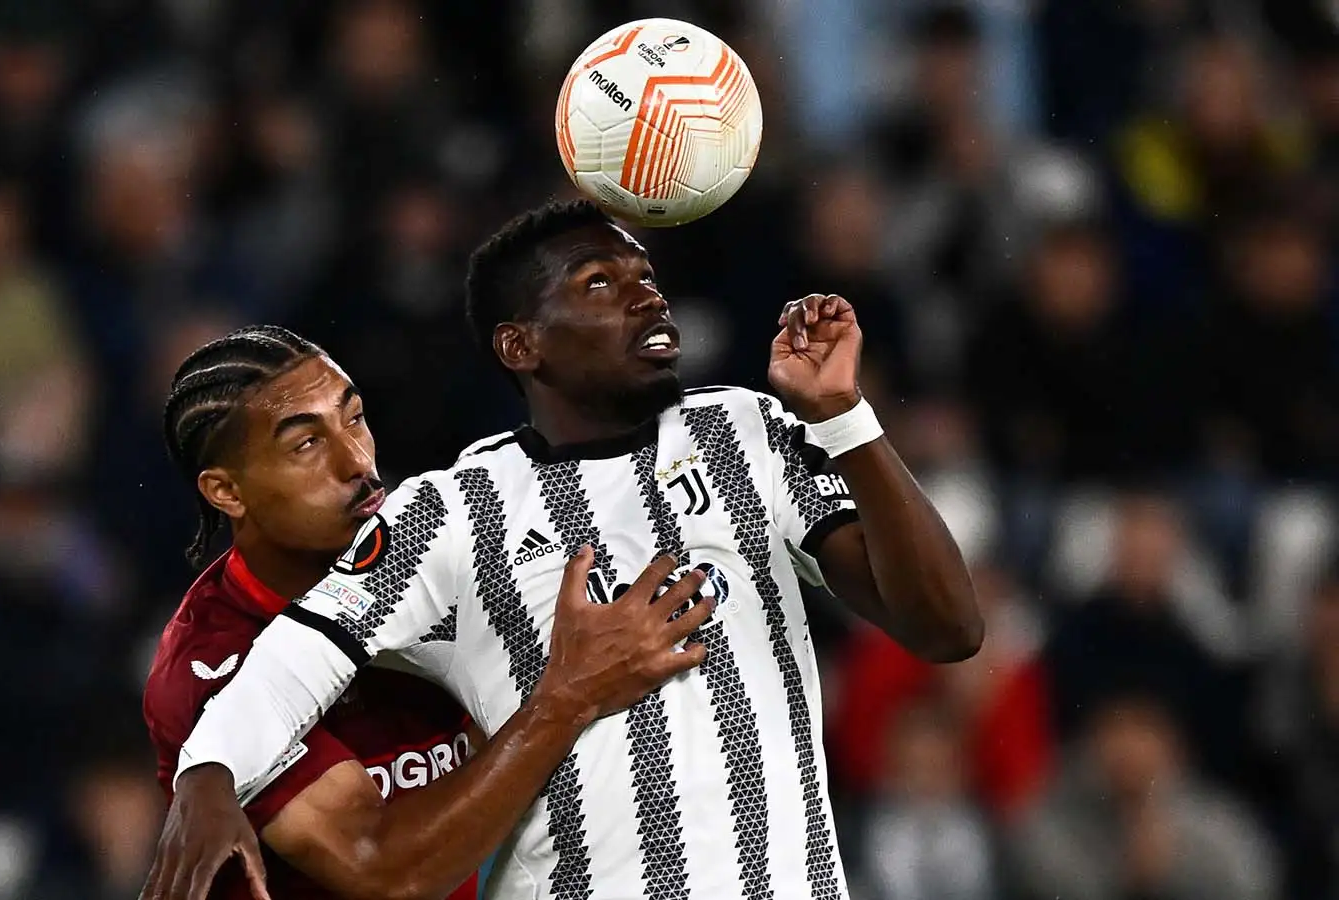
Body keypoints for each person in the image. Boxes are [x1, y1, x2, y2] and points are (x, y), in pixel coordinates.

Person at [157, 201, 983, 899]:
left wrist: (844, 417)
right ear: (523, 346)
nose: (646, 300)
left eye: (648, 281)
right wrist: (208, 775)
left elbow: (949, 628)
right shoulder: (452, 510)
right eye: (600, 285)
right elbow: (283, 669)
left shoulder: (747, 432)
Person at [142, 324, 714, 900]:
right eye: (306, 444)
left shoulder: (438, 558)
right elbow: (388, 871)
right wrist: (567, 698)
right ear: (226, 492)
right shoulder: (215, 668)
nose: (357, 463)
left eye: (355, 417)